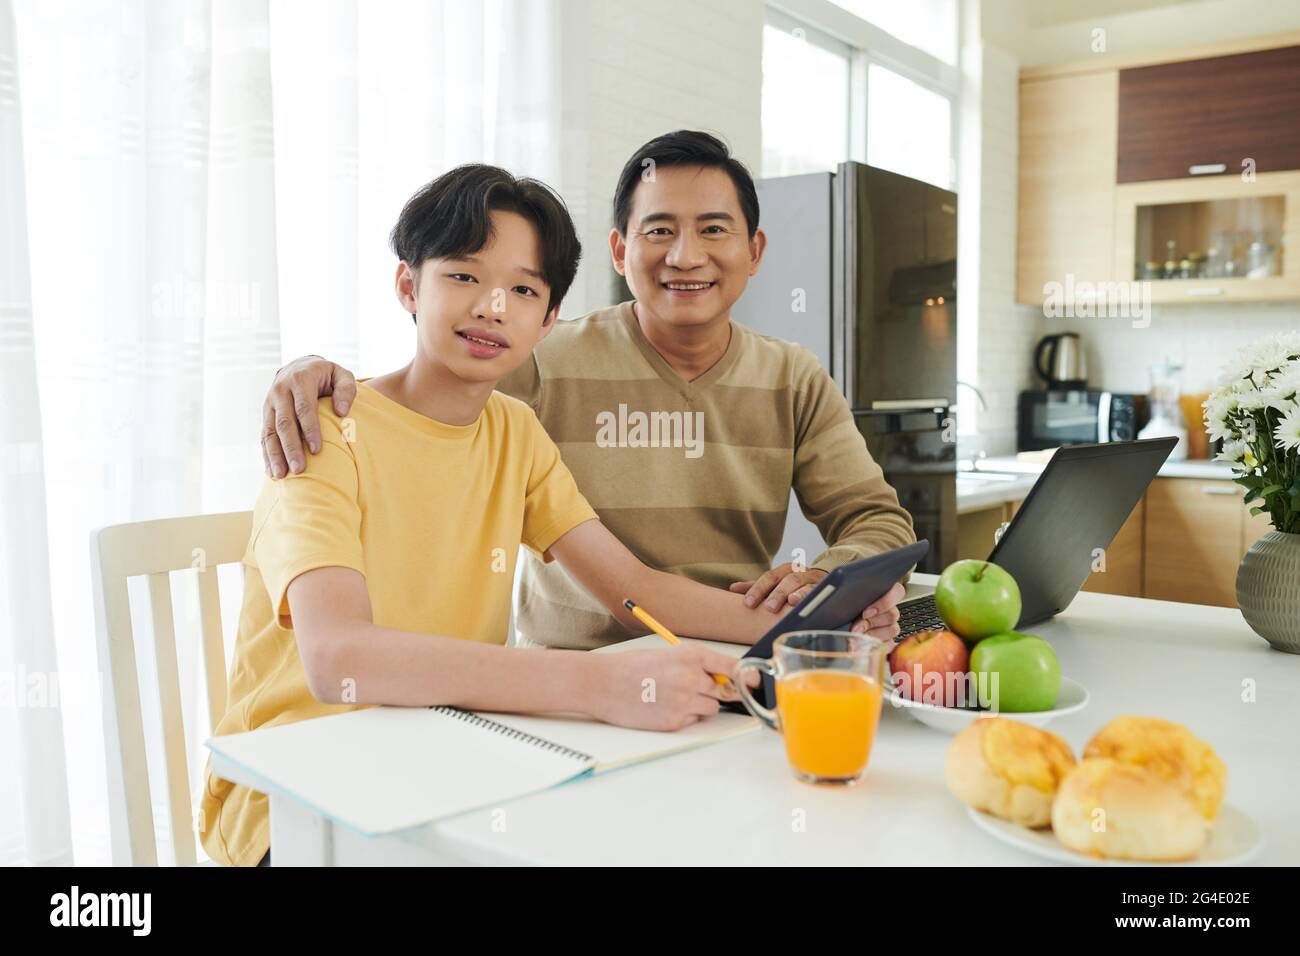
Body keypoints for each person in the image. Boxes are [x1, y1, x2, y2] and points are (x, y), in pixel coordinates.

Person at [200, 164, 773, 867]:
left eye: (525, 289)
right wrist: (596, 686)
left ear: (549, 317)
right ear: (409, 285)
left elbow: (636, 591)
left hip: (448, 766)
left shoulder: (515, 431)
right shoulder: (325, 430)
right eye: (465, 276)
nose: (494, 306)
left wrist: (813, 627)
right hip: (296, 806)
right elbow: (337, 658)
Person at [260, 130, 914, 652]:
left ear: (754, 250)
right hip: (562, 675)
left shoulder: (792, 377)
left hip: (728, 649)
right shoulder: (541, 363)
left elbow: (876, 520)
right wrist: (314, 370)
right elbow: (426, 395)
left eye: (713, 229)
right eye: (659, 230)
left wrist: (827, 601)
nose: (685, 257)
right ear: (619, 249)